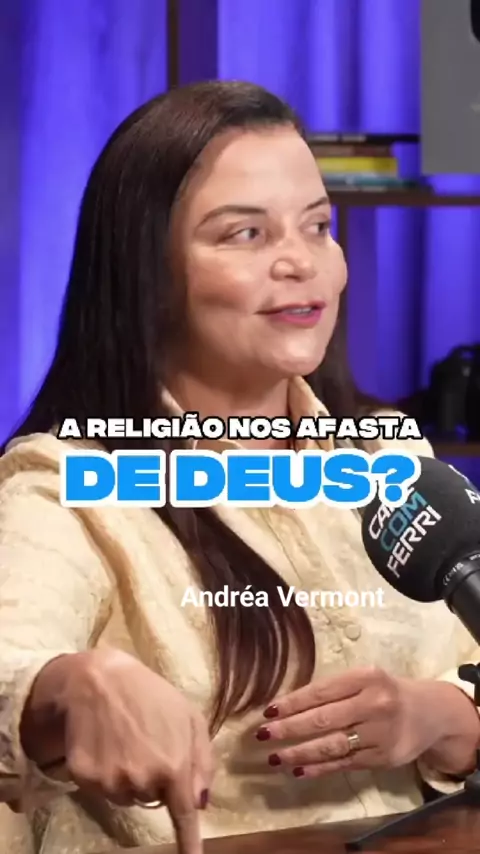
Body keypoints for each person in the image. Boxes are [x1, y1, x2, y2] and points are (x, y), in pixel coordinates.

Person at [0, 80, 479, 854]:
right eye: (245, 234)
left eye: (317, 226)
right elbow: (11, 661)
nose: (301, 263)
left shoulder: (388, 454)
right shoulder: (63, 486)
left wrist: (445, 719)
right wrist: (63, 690)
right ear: (146, 271)